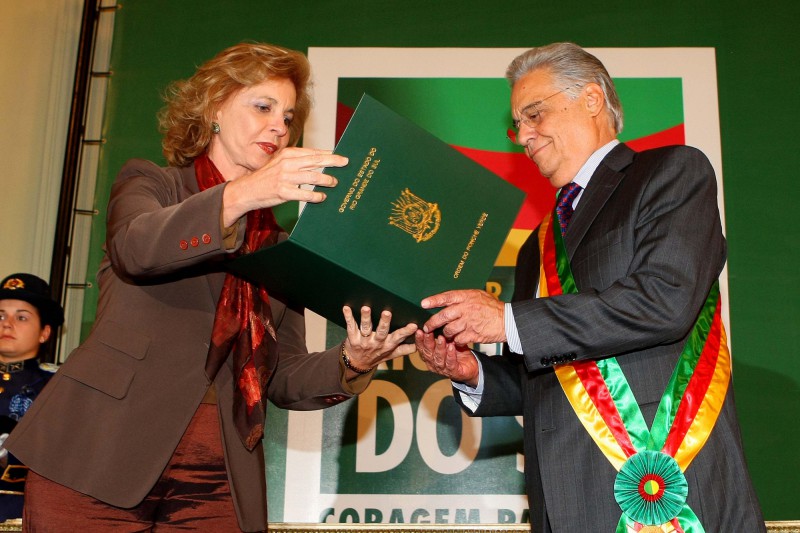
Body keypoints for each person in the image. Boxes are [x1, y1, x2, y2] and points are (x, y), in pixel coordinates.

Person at [6, 42, 417, 532]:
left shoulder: (278, 248)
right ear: (214, 108)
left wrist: (354, 360)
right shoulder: (151, 184)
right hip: (98, 452)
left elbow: (281, 377)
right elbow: (137, 249)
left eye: (288, 118)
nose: (279, 127)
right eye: (263, 107)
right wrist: (242, 194)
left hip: (219, 473)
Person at [414, 42, 765, 532]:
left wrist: (506, 319)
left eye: (534, 114)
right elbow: (546, 376)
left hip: (661, 483)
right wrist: (472, 372)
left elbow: (664, 300)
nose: (524, 136)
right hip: (560, 501)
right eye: (517, 125)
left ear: (592, 99)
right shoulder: (535, 246)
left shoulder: (671, 172)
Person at [0, 273, 63, 522]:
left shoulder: (59, 388)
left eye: (21, 317)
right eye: (0, 315)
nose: (7, 324)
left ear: (44, 333)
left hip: (25, 516)